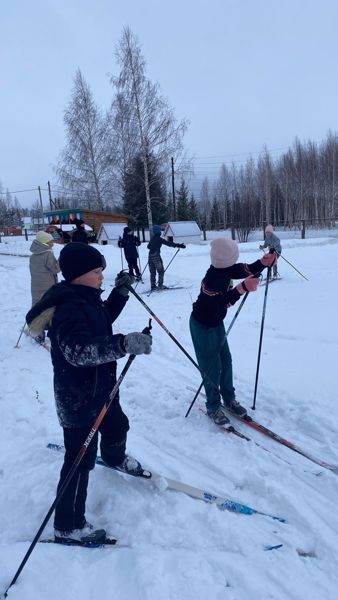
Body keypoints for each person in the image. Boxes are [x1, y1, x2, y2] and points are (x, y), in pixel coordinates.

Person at [25, 242, 152, 545]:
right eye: (97, 272)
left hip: (102, 389)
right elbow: (77, 352)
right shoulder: (68, 309)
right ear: (79, 275)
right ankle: (67, 525)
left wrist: (119, 293)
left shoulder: (88, 299)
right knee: (79, 461)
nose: (101, 277)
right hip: (78, 399)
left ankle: (114, 456)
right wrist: (121, 345)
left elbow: (103, 316)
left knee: (117, 425)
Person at [190, 238, 276, 426]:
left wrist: (262, 263)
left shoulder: (226, 268)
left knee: (226, 361)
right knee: (212, 367)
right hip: (202, 326)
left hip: (216, 322)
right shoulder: (211, 280)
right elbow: (221, 302)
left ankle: (228, 398)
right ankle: (213, 406)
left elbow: (242, 269)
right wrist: (242, 288)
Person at [29, 230, 60, 343]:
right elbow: (56, 269)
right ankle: (52, 331)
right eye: (50, 241)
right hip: (48, 287)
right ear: (44, 243)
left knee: (37, 308)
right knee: (50, 308)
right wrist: (61, 259)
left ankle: (38, 331)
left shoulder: (33, 256)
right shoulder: (47, 254)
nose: (53, 243)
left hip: (36, 287)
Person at [147, 225, 186, 290]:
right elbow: (168, 243)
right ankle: (160, 285)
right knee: (161, 271)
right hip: (156, 256)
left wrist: (153, 246)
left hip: (150, 256)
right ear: (159, 232)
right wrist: (178, 245)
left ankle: (153, 286)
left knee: (152, 272)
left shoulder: (152, 239)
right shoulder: (159, 239)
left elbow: (148, 247)